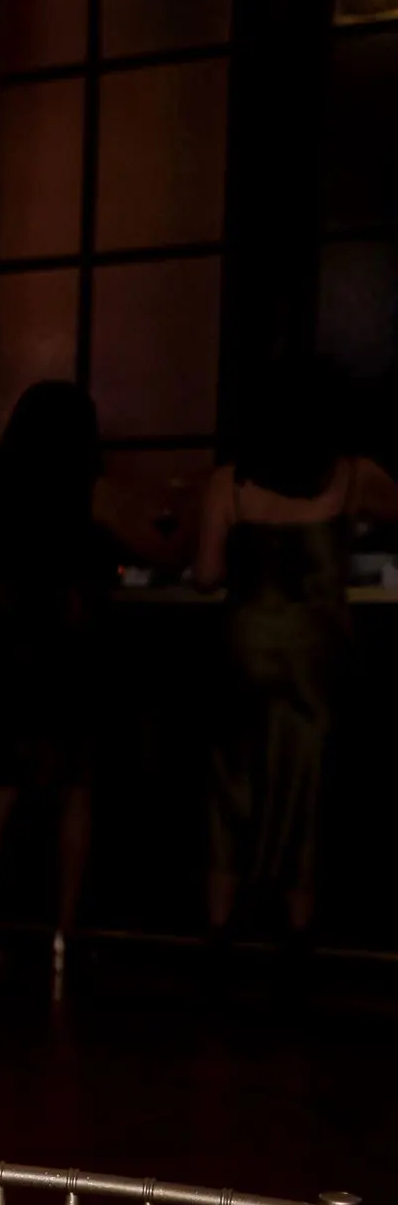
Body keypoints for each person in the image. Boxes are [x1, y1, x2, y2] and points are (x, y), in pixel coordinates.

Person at [0, 382, 173, 964]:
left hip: (10, 644)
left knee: (0, 786)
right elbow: (155, 549)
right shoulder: (91, 490)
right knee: (76, 788)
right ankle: (64, 927)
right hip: (72, 647)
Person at [192, 365, 398, 944]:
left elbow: (207, 575)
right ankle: (297, 940)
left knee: (232, 786)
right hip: (316, 651)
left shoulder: (229, 483)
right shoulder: (353, 476)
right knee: (306, 787)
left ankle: (220, 932)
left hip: (245, 646)